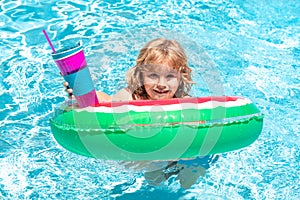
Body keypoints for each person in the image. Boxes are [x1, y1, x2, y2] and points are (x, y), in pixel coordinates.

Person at [64, 38, 218, 188]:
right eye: (153, 75)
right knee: (153, 179)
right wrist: (81, 94)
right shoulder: (131, 97)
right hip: (149, 156)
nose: (161, 84)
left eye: (170, 76)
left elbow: (198, 131)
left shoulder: (184, 103)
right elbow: (104, 101)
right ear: (141, 75)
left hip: (178, 157)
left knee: (189, 181)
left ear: (180, 78)